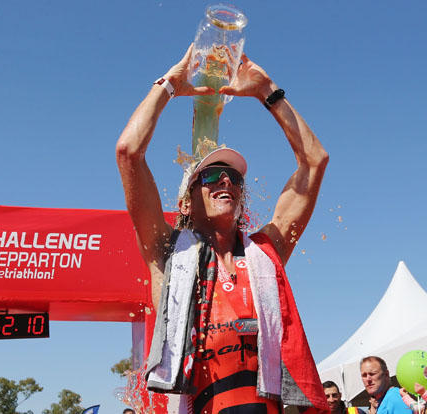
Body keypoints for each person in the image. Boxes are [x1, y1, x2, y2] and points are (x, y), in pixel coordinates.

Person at [116, 44, 329, 414]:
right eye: (211, 176)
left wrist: (267, 92)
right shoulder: (168, 254)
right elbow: (128, 152)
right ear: (185, 203)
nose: (226, 181)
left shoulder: (266, 251)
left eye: (234, 177)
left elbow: (315, 162)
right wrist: (168, 85)